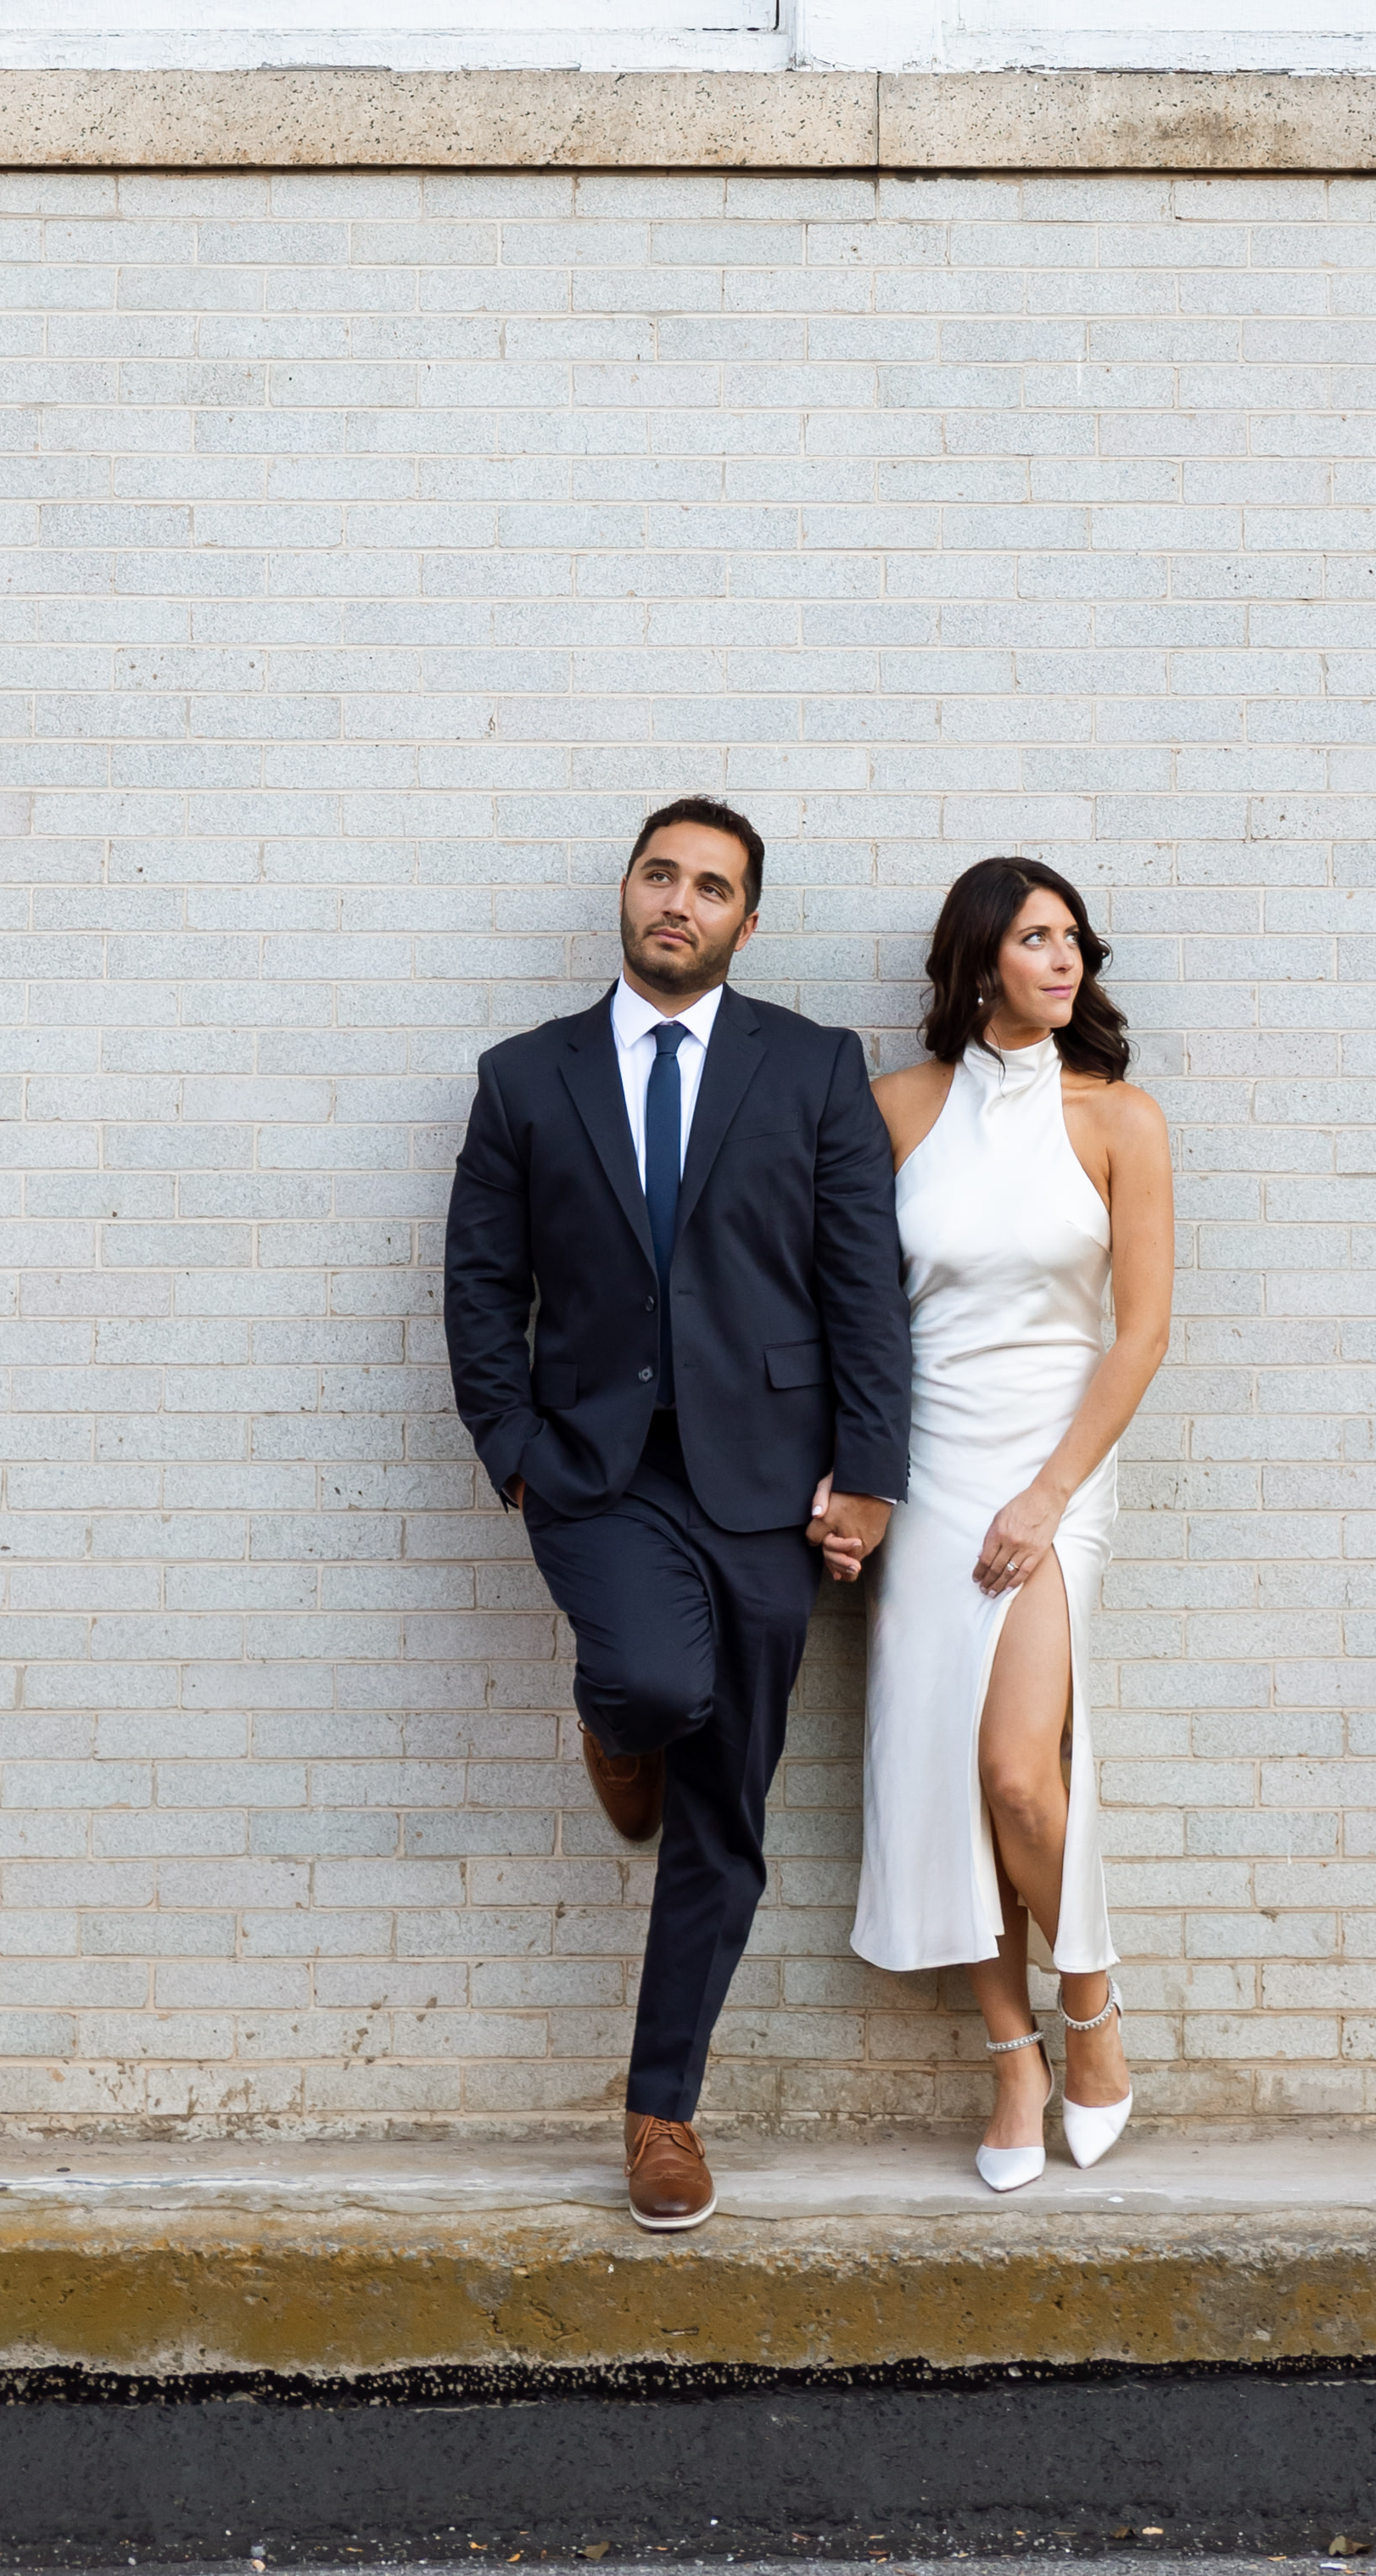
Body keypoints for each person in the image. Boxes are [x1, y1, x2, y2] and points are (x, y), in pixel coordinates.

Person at [441, 795, 912, 2232]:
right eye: (662, 875)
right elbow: (477, 1281)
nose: (680, 903)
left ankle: (663, 2112)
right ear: (628, 892)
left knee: (730, 1811)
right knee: (649, 1679)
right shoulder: (528, 1077)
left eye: (713, 888)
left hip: (768, 1482)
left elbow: (860, 1288)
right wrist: (511, 1444)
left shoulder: (817, 1068)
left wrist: (872, 1475)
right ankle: (615, 1728)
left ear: (746, 923)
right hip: (591, 1468)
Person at [833, 857, 1175, 2190]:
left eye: (1076, 938)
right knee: (936, 1776)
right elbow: (853, 1319)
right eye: (1037, 937)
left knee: (1018, 1773)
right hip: (928, 1470)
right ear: (980, 959)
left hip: (1057, 1465)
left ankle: (1091, 2019)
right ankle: (1012, 2057)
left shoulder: (1121, 1120)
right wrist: (851, 1480)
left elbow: (1141, 1335)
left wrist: (1046, 1497)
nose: (1066, 957)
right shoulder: (896, 1109)